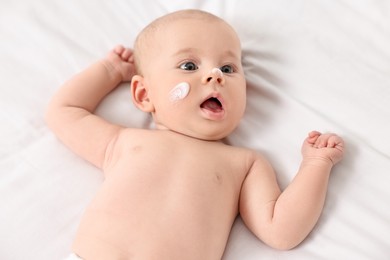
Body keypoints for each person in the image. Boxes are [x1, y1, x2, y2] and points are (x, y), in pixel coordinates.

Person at [46, 9, 344, 260]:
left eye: (228, 68)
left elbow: (281, 231)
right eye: (189, 65)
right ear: (144, 93)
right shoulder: (126, 142)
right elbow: (65, 111)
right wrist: (109, 70)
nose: (214, 75)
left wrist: (315, 165)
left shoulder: (244, 164)